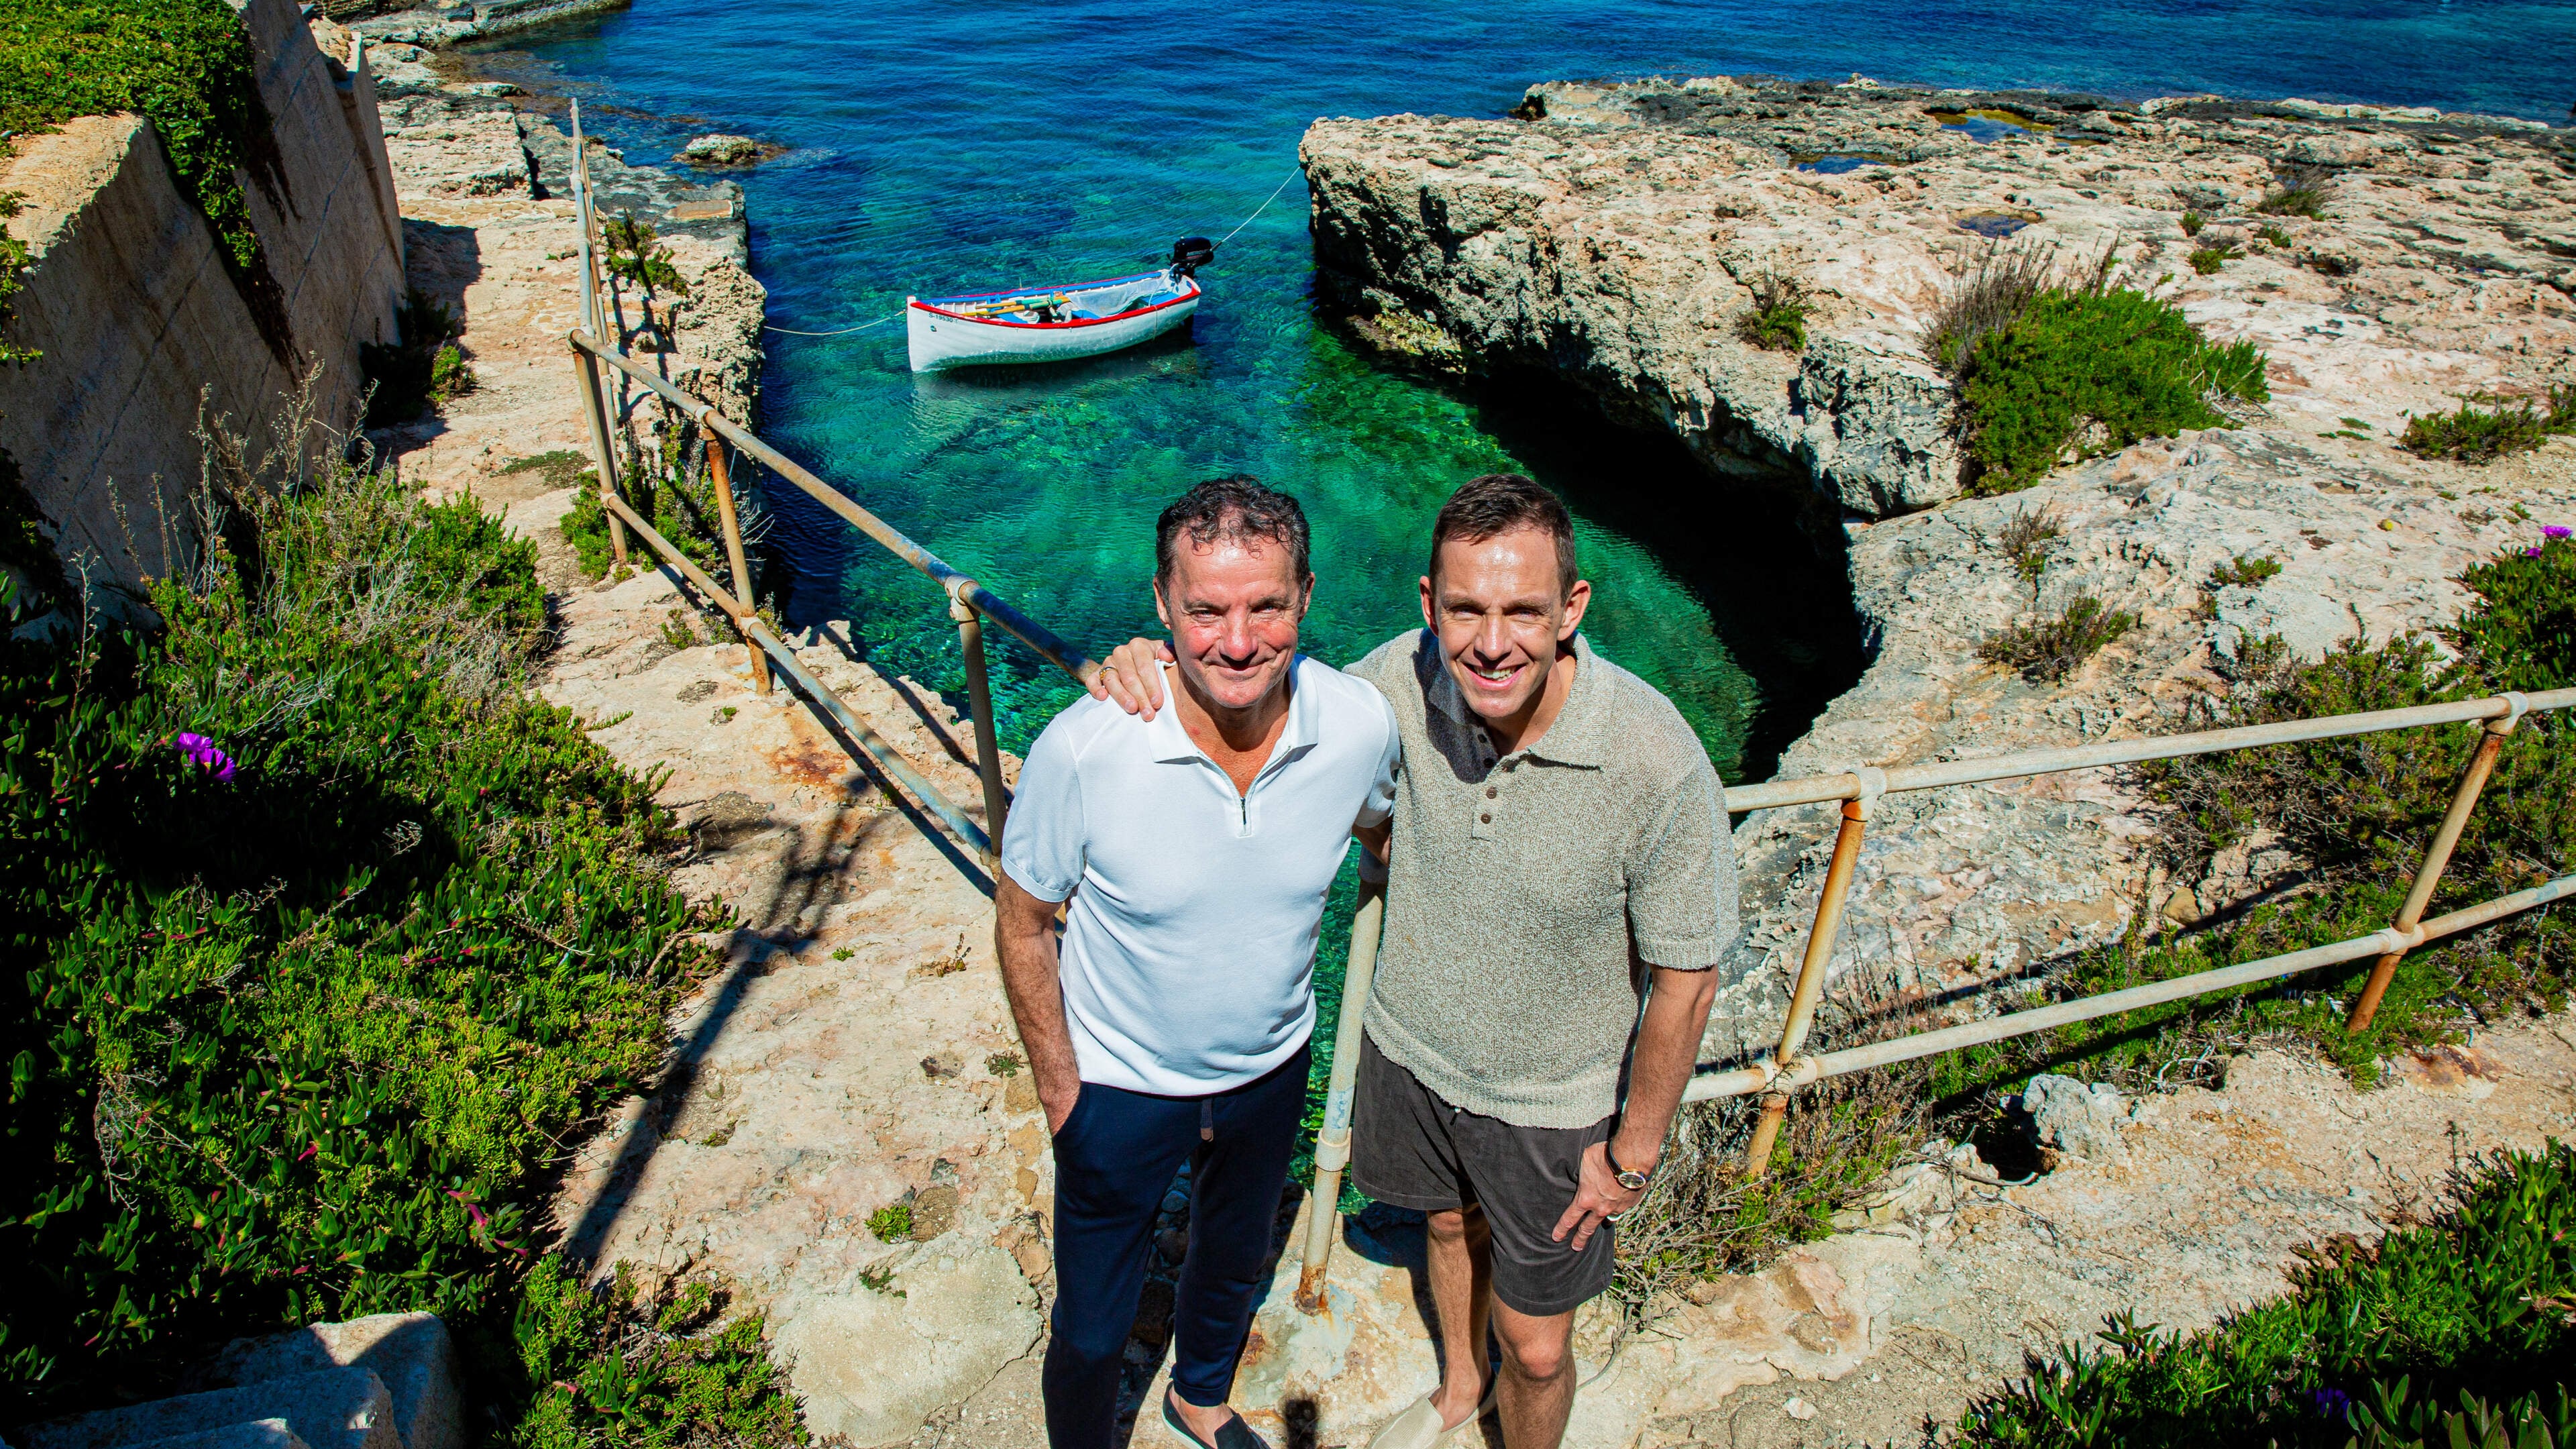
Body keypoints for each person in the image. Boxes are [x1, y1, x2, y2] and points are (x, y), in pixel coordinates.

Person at [1087, 473, 1737, 1449]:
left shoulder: (1654, 757)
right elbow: (1250, 686)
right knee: (1442, 1227)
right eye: (1466, 608)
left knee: (1544, 1348)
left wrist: (1633, 1152)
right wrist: (1144, 665)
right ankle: (1457, 1388)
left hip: (1555, 1104)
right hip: (1411, 1052)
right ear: (1428, 605)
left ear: (1573, 609)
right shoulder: (1392, 680)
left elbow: (1688, 975)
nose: (1491, 642)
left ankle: (1512, 1407)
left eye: (1524, 611)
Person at [996, 476, 1401, 1449]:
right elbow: (1023, 921)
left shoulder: (1356, 725)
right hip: (1120, 1087)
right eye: (1206, 609)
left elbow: (1385, 829)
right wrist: (1064, 1097)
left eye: (1267, 606)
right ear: (1162, 606)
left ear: (1307, 596)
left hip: (1272, 1066)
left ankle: (1200, 1397)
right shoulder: (1087, 750)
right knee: (1092, 1331)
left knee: (1230, 1260)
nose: (1238, 639)